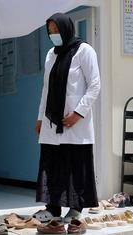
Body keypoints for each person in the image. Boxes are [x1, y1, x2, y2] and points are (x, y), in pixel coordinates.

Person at [34, 13, 101, 223]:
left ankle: (76, 208)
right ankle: (52, 208)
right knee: (52, 163)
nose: (54, 35)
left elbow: (95, 85)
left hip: (75, 123)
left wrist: (78, 113)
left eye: (56, 30)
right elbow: (47, 89)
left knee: (76, 165)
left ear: (66, 28)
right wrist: (39, 117)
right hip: (51, 121)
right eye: (50, 31)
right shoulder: (50, 54)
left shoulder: (84, 50)